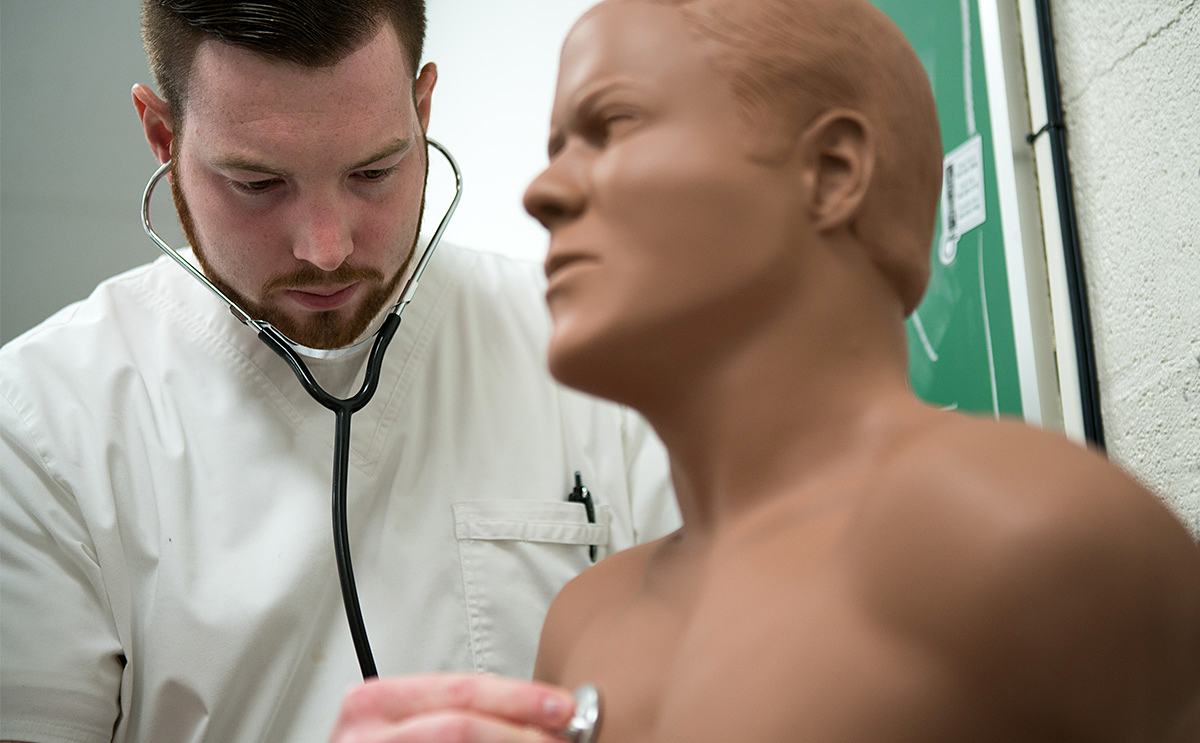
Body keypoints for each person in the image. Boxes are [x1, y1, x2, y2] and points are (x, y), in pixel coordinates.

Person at [519, 0, 1200, 740]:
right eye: (555, 148)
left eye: (610, 126)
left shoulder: (1032, 535)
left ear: (832, 170)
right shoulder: (582, 627)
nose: (541, 193)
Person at [0, 2, 679, 742]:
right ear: (163, 137)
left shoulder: (604, 359)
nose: (325, 247)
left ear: (423, 110)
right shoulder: (36, 428)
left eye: (373, 172)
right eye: (258, 184)